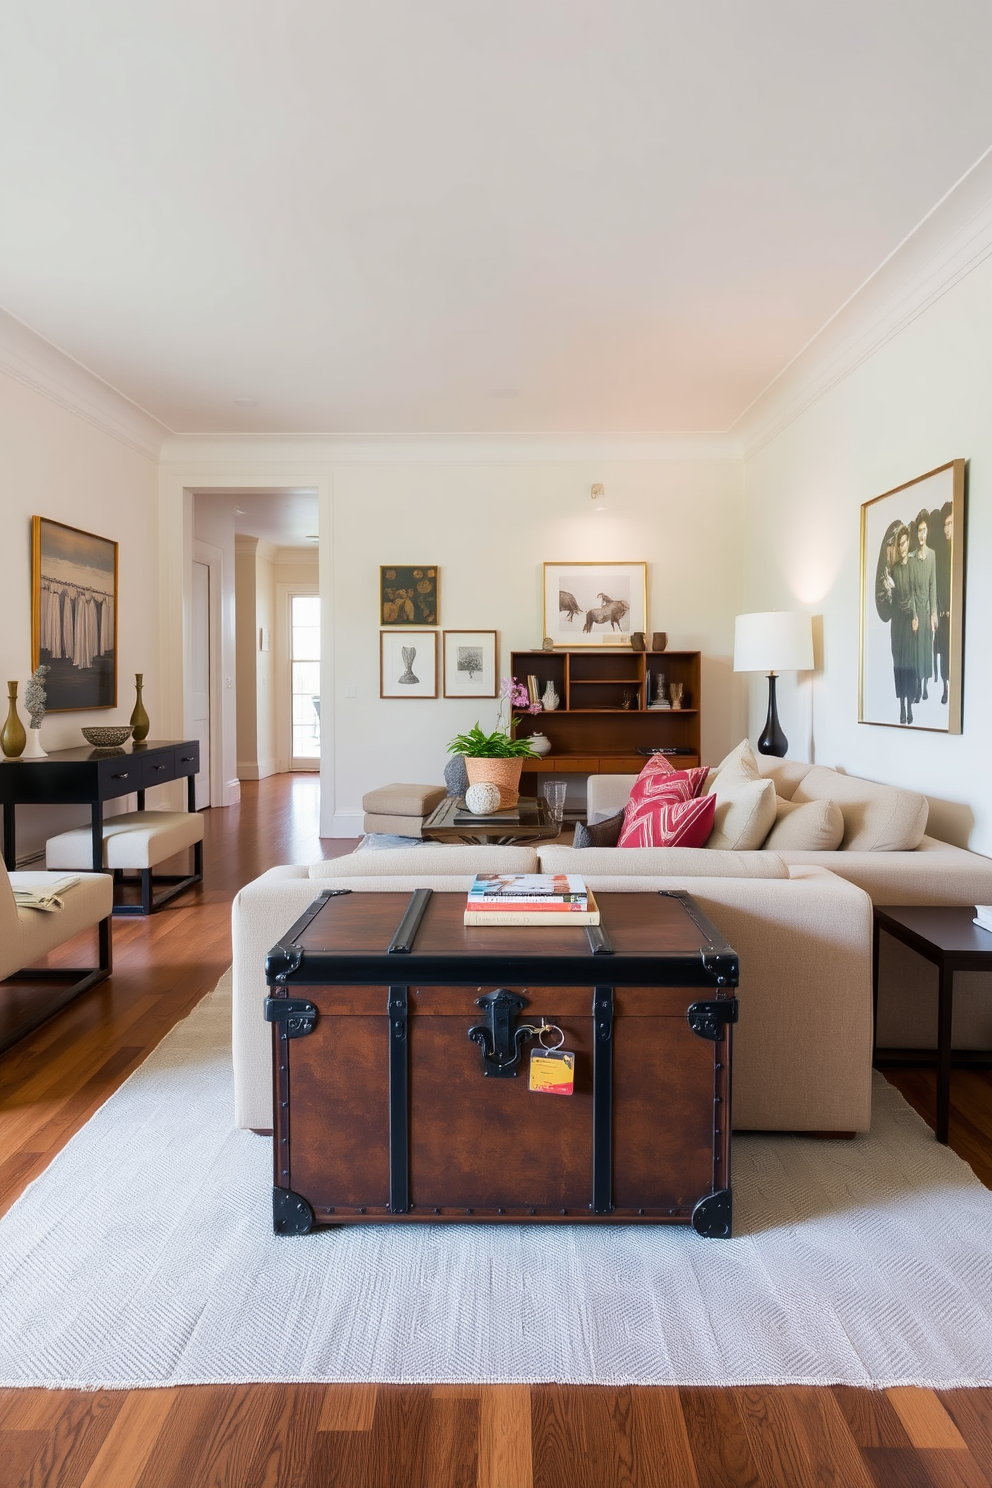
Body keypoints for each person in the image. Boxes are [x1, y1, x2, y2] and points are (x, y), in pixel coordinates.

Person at [878, 525, 918, 724]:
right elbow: (888, 604)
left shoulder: (913, 566)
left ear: (908, 543)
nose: (902, 547)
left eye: (904, 543)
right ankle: (902, 705)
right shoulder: (892, 571)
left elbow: (916, 596)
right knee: (898, 665)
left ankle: (910, 705)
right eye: (899, 544)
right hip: (896, 625)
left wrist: (915, 617)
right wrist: (890, 591)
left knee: (909, 664)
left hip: (909, 622)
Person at [910, 511, 937, 702]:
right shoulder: (912, 558)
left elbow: (933, 585)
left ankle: (925, 685)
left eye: (924, 530)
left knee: (927, 650)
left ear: (928, 532)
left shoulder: (932, 556)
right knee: (916, 651)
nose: (922, 534)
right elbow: (911, 589)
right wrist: (914, 615)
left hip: (927, 611)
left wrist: (933, 613)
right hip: (916, 612)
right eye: (919, 530)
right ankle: (917, 685)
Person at [934, 503, 953, 705]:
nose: (947, 528)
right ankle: (945, 686)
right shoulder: (941, 553)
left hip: (956, 612)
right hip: (942, 612)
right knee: (943, 652)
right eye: (945, 524)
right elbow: (938, 584)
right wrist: (939, 609)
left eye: (950, 523)